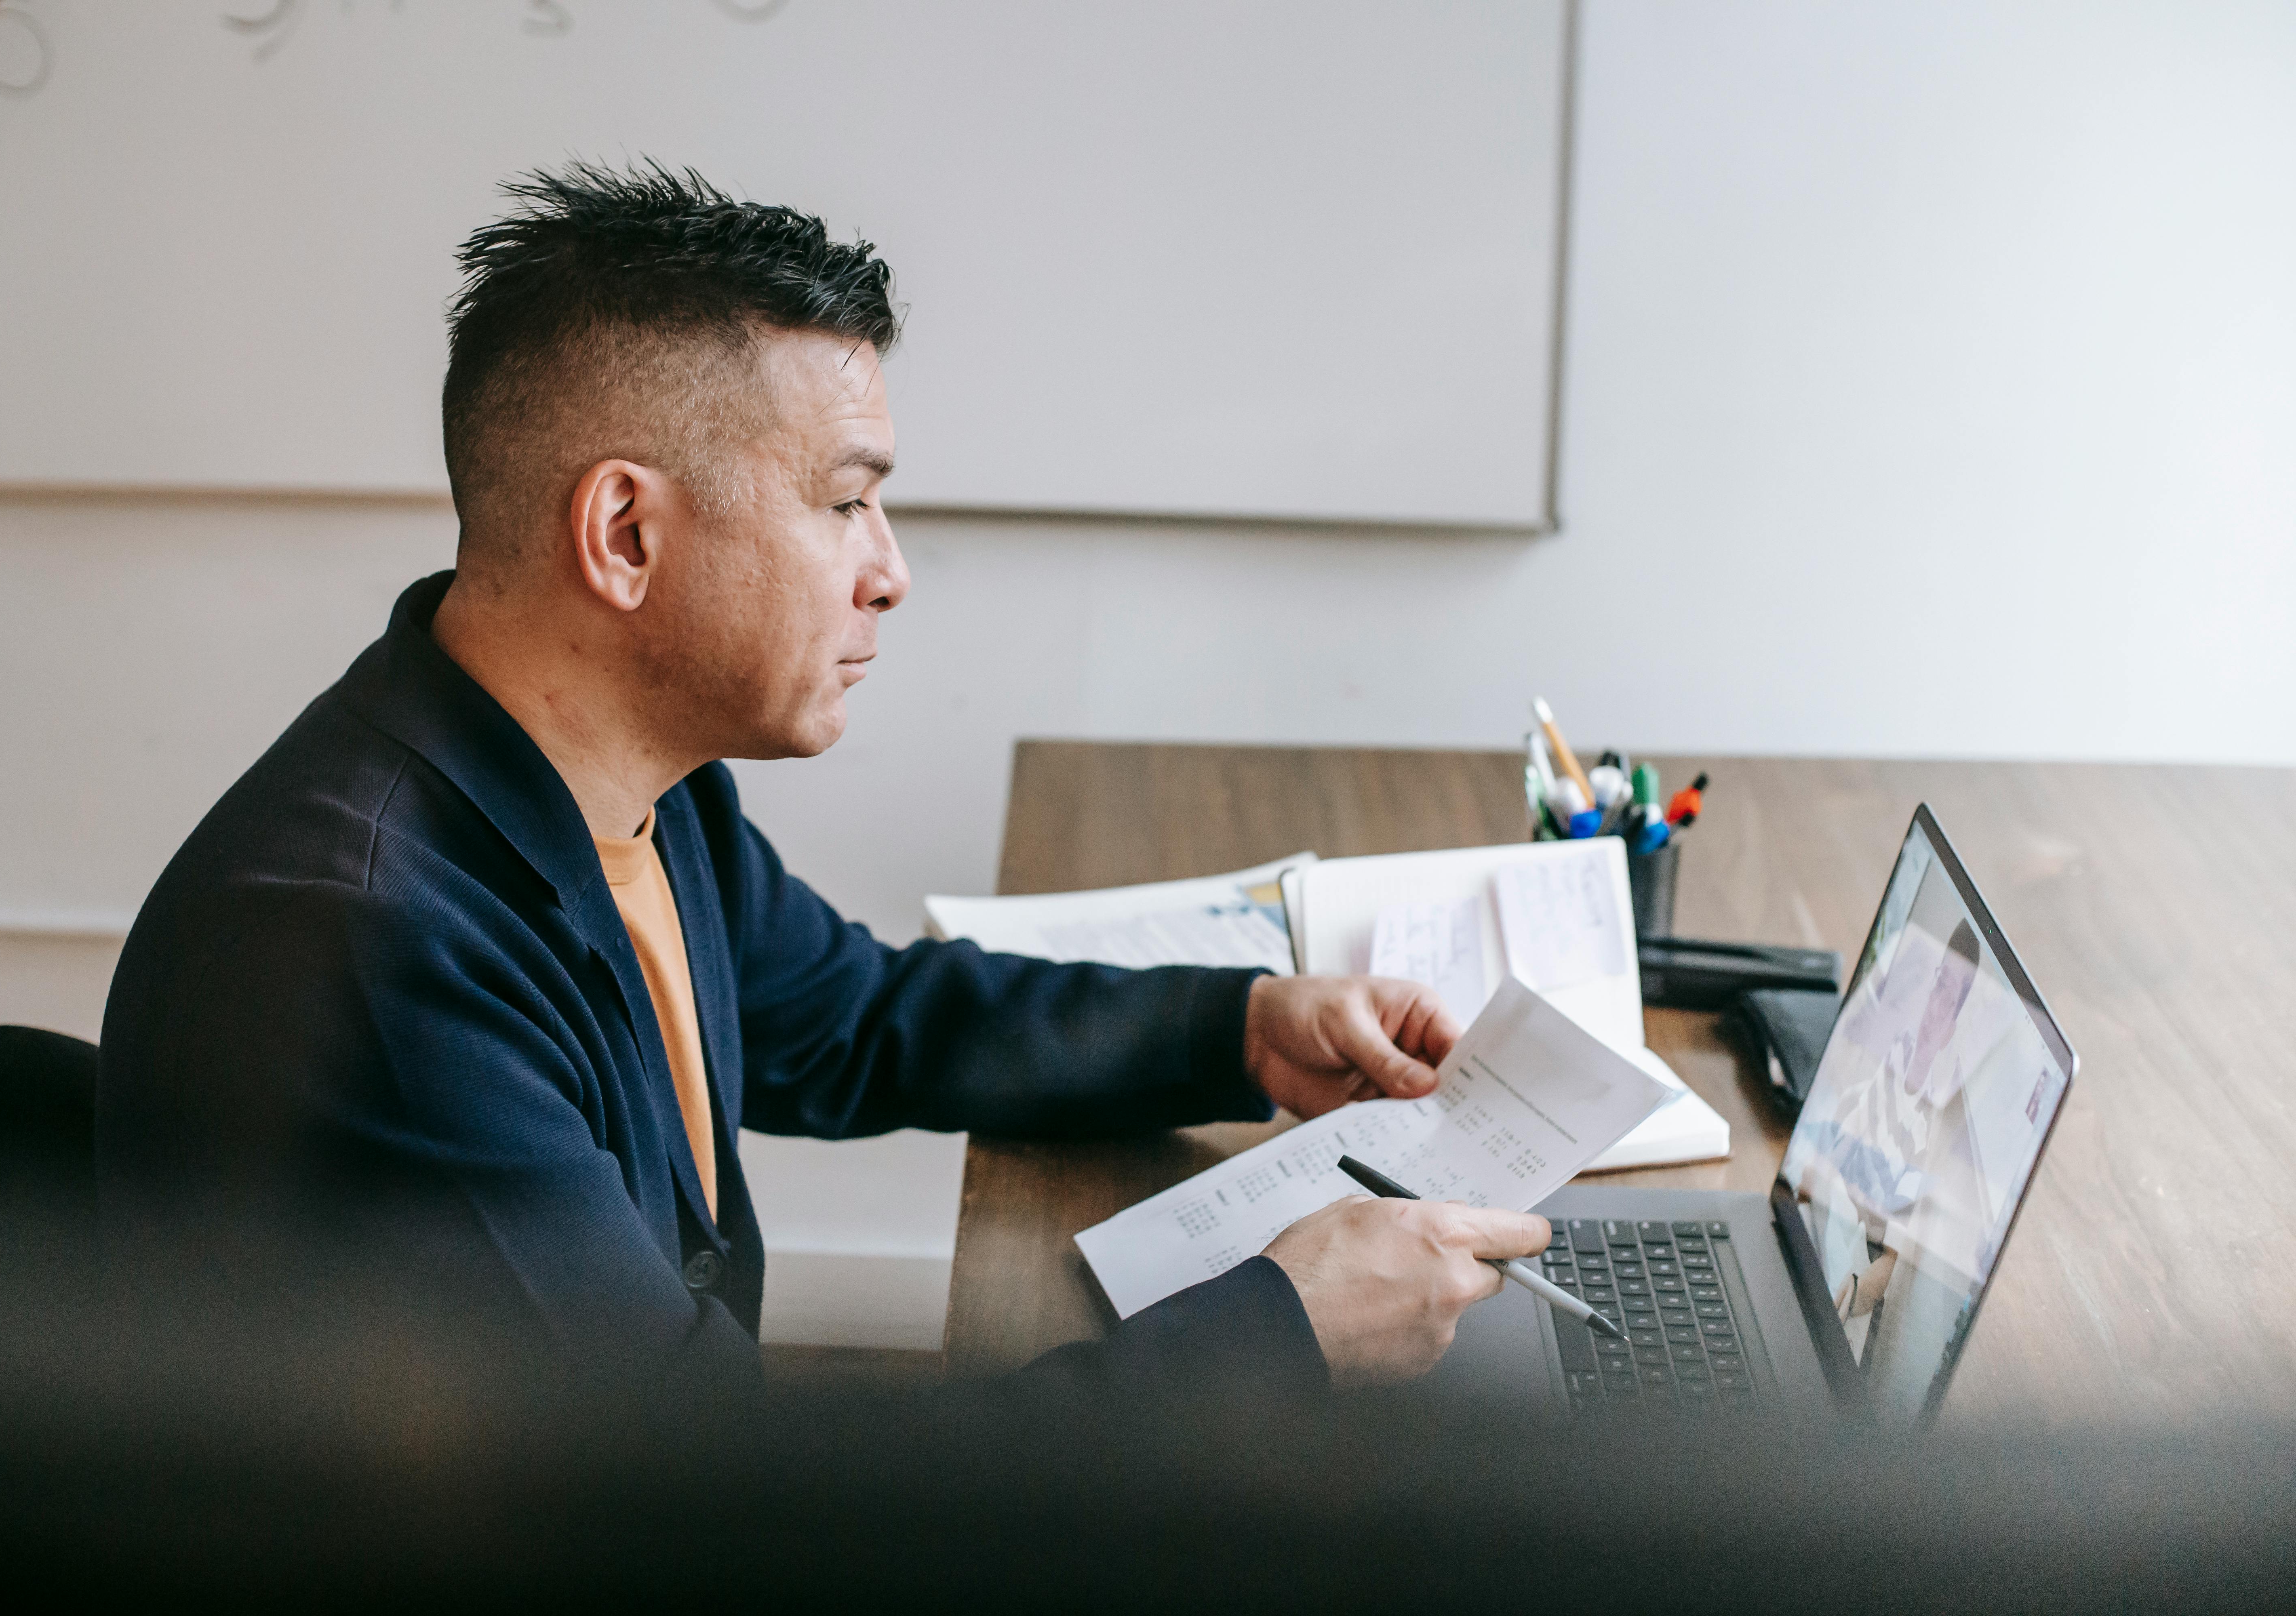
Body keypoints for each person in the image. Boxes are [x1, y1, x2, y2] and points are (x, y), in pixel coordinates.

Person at [96, 162, 1546, 1397]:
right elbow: (712, 1511)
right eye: (846, 502)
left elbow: (855, 1020)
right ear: (624, 536)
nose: (891, 572)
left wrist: (1242, 1030)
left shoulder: (637, 788)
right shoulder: (376, 955)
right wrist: (1277, 1337)